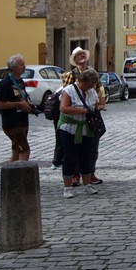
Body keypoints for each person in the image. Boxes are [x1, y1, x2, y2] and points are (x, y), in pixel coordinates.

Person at [55, 47, 107, 183]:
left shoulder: (92, 73)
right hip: (72, 122)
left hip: (89, 119)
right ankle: (74, 176)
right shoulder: (70, 76)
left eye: (83, 53)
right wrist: (83, 109)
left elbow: (99, 90)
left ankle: (89, 175)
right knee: (72, 153)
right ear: (74, 59)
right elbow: (65, 101)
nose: (82, 56)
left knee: (90, 151)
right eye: (79, 55)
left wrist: (98, 104)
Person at [57, 68, 102, 198]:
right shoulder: (69, 91)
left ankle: (87, 185)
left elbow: (94, 106)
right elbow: (63, 108)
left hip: (86, 129)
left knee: (86, 156)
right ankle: (67, 187)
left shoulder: (91, 91)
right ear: (82, 81)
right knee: (70, 157)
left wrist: (96, 109)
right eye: (89, 84)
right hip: (69, 128)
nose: (91, 87)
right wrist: (82, 111)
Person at [0, 53, 35, 162]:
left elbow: (20, 98)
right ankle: (21, 175)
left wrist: (26, 104)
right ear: (13, 68)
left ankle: (10, 176)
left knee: (16, 150)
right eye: (22, 65)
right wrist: (18, 104)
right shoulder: (5, 83)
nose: (24, 67)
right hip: (12, 123)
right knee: (25, 150)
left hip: (22, 120)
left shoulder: (20, 81)